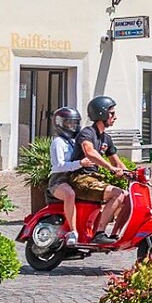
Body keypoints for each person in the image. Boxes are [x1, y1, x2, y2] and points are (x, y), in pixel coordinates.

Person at [73, 95, 134, 244]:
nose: (115, 117)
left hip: (94, 179)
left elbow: (117, 161)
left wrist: (132, 174)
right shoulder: (87, 133)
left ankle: (115, 234)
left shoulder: (106, 138)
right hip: (81, 178)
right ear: (102, 114)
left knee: (128, 198)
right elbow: (89, 152)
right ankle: (99, 233)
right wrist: (110, 168)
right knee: (117, 194)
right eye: (112, 113)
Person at [43, 105, 89, 249]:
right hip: (59, 179)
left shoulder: (75, 141)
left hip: (74, 177)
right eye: (69, 122)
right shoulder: (58, 142)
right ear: (60, 123)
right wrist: (80, 163)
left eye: (74, 123)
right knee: (69, 195)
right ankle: (73, 231)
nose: (72, 126)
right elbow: (59, 165)